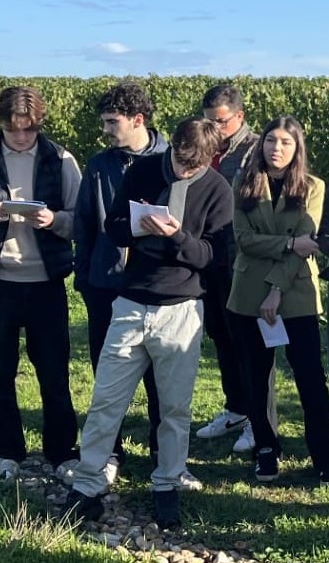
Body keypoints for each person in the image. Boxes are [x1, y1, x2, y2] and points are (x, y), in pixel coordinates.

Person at [63, 118, 233, 529]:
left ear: (210, 159)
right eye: (177, 158)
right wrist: (138, 227)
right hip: (131, 302)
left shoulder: (217, 190)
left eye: (191, 166)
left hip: (182, 308)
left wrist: (176, 237)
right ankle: (87, 485)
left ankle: (167, 483)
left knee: (175, 407)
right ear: (171, 146)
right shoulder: (142, 170)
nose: (181, 170)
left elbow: (213, 256)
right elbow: (114, 227)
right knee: (107, 398)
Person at [0, 86, 81, 481]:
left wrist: (54, 221)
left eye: (29, 130)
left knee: (54, 371)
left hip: (46, 283)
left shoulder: (60, 159)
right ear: (1, 125)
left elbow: (82, 220)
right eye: (14, 131)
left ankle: (61, 451)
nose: (22, 138)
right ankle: (7, 451)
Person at [227, 116, 329, 482]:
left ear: (297, 147)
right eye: (271, 140)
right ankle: (266, 449)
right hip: (248, 293)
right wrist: (286, 243)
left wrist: (275, 288)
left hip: (295, 292)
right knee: (256, 376)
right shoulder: (244, 182)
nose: (277, 148)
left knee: (310, 376)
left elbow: (308, 242)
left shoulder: (313, 187)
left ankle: (323, 453)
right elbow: (243, 239)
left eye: (286, 142)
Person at [74, 82, 167, 480]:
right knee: (106, 373)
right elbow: (84, 223)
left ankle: (163, 452)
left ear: (138, 120)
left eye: (113, 122)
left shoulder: (170, 160)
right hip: (105, 284)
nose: (107, 130)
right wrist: (86, 277)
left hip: (154, 287)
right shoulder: (99, 164)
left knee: (159, 377)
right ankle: (108, 452)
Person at [197, 84, 266, 453]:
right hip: (209, 258)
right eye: (207, 121)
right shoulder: (206, 147)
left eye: (219, 122)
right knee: (222, 336)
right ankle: (236, 407)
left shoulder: (257, 150)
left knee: (250, 343)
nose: (212, 129)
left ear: (238, 117)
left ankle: (260, 421)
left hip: (244, 259)